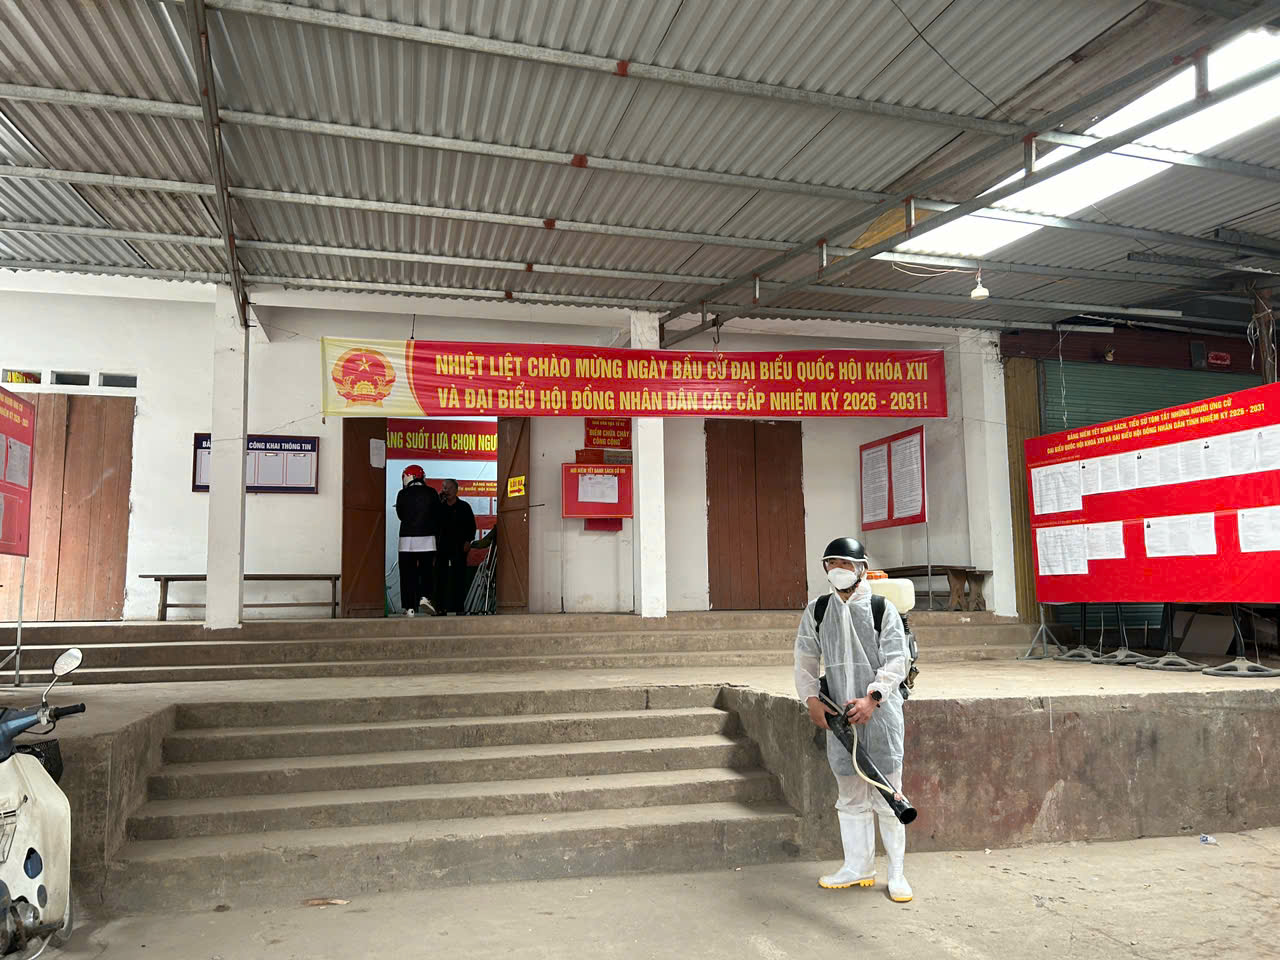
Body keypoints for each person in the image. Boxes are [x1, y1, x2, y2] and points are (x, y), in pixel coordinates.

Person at [794, 537, 913, 902]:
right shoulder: (818, 610)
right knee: (849, 795)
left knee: (889, 794)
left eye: (845, 564)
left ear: (861, 569)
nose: (838, 571)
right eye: (831, 564)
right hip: (840, 718)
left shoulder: (881, 608)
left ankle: (897, 873)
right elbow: (805, 658)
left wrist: (873, 697)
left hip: (881, 716)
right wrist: (811, 699)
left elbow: (897, 659)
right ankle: (857, 866)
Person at [395, 465, 440, 616]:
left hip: (406, 539)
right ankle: (425, 597)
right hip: (428, 538)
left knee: (407, 574)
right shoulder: (432, 492)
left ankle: (409, 607)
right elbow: (437, 514)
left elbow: (400, 515)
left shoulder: (402, 494)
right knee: (427, 570)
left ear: (408, 477)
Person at [435, 478, 477, 615]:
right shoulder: (440, 507)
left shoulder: (464, 507)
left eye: (449, 488)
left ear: (456, 490)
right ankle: (440, 607)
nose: (446, 491)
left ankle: (459, 608)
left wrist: (468, 541)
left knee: (459, 578)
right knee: (441, 577)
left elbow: (472, 526)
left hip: (459, 547)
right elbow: (434, 525)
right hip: (442, 546)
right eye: (444, 488)